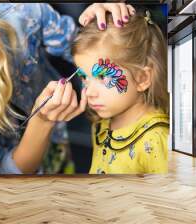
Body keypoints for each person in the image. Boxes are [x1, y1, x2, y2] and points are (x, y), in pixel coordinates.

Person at [0, 3, 136, 174]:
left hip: (60, 147)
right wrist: (41, 122)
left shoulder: (23, 15)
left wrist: (103, 29)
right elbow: (5, 174)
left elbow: (86, 50)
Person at [72, 10, 169, 174]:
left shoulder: (157, 140)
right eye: (84, 78)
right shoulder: (101, 124)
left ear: (142, 78)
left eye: (102, 77)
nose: (89, 92)